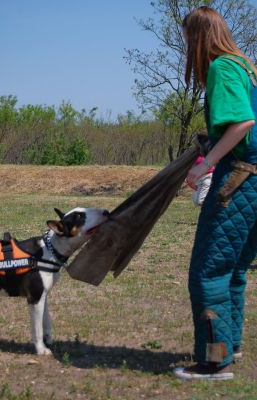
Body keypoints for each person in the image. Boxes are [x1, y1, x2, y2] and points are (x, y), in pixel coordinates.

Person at [174, 6, 257, 380]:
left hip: (240, 177)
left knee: (207, 272)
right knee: (234, 269)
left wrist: (206, 164)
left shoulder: (222, 67)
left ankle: (214, 360)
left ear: (198, 37)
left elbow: (242, 123)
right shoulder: (247, 66)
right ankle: (231, 345)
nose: (186, 45)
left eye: (188, 37)